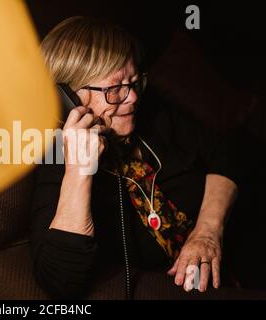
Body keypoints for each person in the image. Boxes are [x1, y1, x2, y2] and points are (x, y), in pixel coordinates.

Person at [30, 16, 239, 299]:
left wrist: (208, 231)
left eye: (134, 82)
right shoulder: (55, 161)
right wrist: (79, 171)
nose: (131, 98)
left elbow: (224, 153)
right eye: (114, 88)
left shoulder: (153, 115)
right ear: (67, 97)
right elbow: (60, 280)